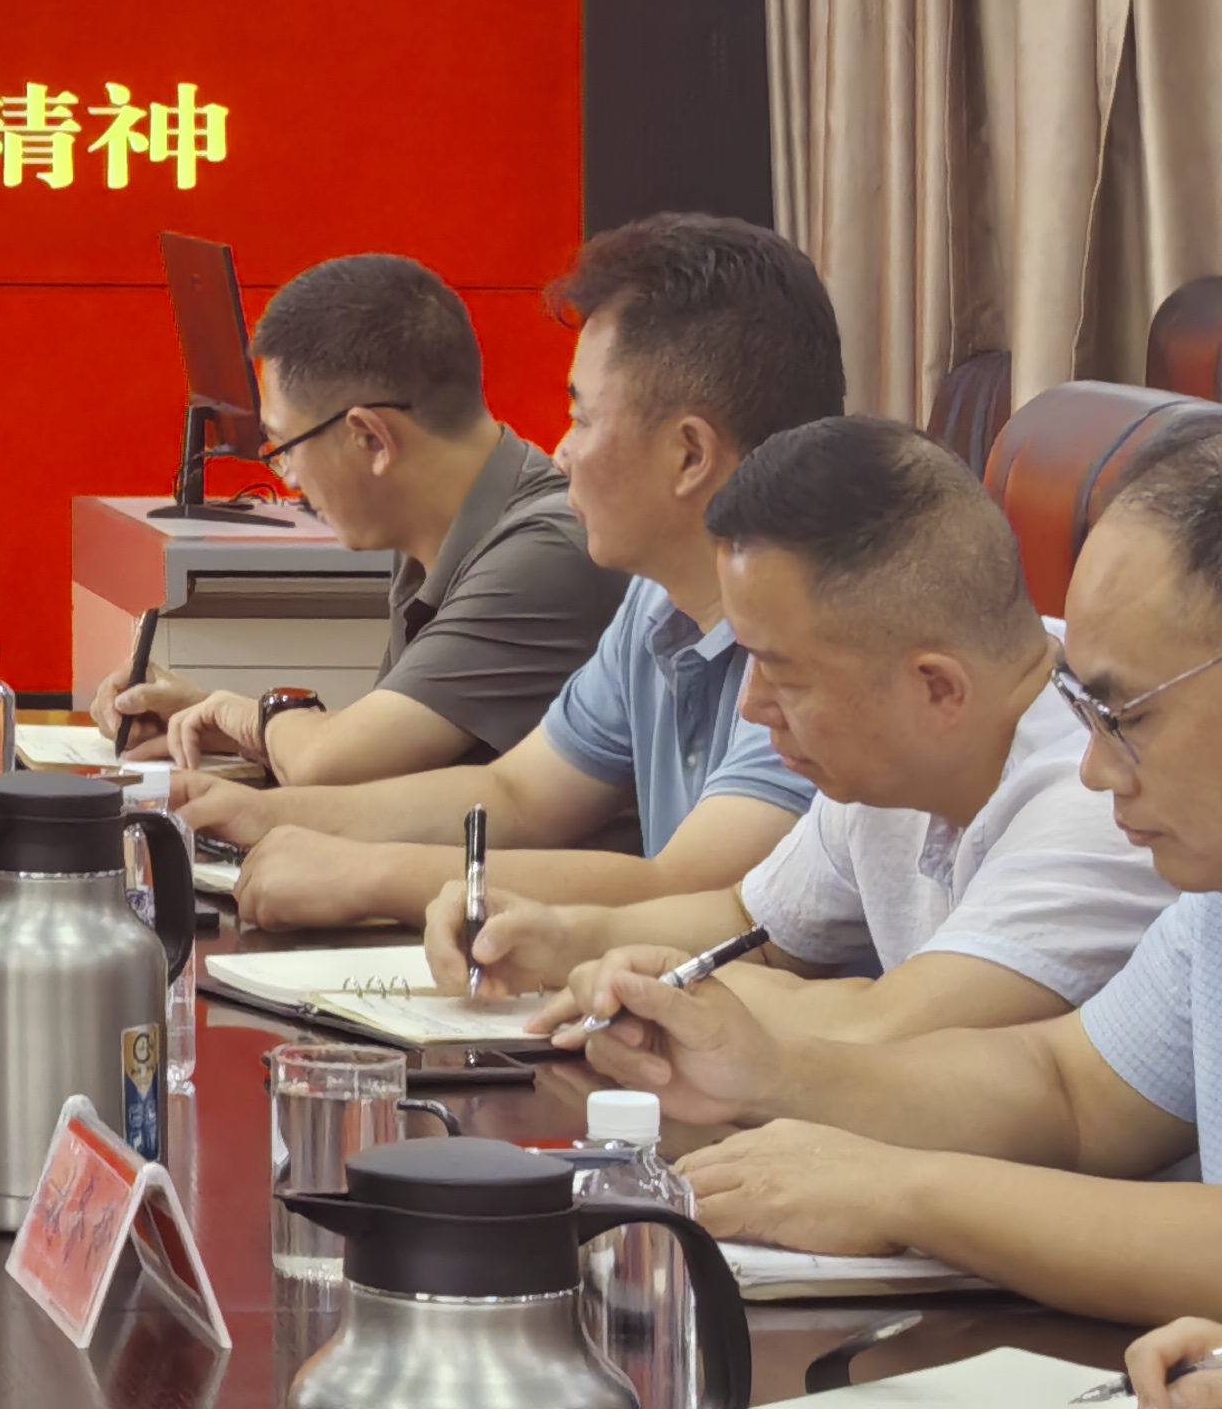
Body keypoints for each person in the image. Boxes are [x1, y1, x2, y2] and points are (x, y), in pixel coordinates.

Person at [570, 431, 1222, 1326]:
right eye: (1087, 710)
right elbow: (1068, 1089)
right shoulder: (1208, 907)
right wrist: (769, 1075)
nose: (1095, 768)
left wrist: (901, 1191)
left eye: (1124, 716)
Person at [181, 213, 846, 928]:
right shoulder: (656, 603)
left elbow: (697, 890)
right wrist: (264, 815)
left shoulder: (829, 635)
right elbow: (518, 794)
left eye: (582, 419)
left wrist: (372, 874)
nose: (562, 452)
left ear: (690, 455)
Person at [435, 413, 1166, 1036]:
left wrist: (638, 980)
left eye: (780, 671)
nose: (750, 706)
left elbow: (890, 1031)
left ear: (938, 688)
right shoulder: (901, 752)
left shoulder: (1102, 797)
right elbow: (756, 927)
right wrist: (561, 935)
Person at [94, 252, 620, 784]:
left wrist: (251, 717)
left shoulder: (543, 554)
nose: (288, 479)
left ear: (370, 438)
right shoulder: (428, 536)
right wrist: (216, 720)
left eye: (285, 447)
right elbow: (381, 756)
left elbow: (330, 765)